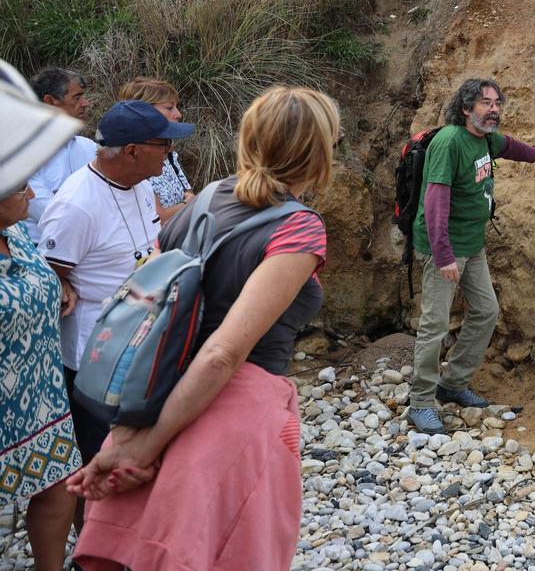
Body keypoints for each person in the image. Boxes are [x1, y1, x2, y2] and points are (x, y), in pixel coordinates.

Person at [66, 86, 339, 571]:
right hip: (231, 419)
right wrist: (142, 451)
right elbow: (222, 354)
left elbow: (142, 305)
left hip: (154, 395)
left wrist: (129, 438)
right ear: (320, 152)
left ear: (249, 138)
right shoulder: (299, 228)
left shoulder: (206, 198)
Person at [38, 101, 194, 469]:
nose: (171, 152)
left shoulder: (140, 185)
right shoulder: (77, 205)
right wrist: (63, 286)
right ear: (132, 151)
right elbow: (47, 271)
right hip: (96, 358)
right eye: (164, 144)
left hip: (143, 343)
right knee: (101, 460)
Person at [407, 78, 535, 434]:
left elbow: (508, 146)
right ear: (465, 109)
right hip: (443, 248)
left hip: (471, 244)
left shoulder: (485, 139)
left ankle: (453, 383)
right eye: (484, 103)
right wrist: (444, 255)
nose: (493, 109)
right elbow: (434, 202)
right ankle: (420, 403)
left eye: (496, 103)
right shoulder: (450, 143)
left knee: (486, 310)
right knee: (434, 324)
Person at [0, 63, 84, 571]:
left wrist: (60, 284)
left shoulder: (17, 238)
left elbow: (43, 273)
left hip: (40, 399)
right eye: (20, 189)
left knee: (57, 485)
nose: (31, 196)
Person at [25, 68, 97, 243]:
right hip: (40, 252)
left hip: (92, 245)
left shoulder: (88, 147)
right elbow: (49, 213)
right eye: (77, 97)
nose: (86, 103)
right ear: (50, 101)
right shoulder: (24, 154)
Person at [117, 77, 195, 223]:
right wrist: (188, 204)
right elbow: (159, 217)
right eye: (169, 108)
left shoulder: (170, 154)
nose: (178, 114)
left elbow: (187, 192)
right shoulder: (135, 159)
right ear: (144, 112)